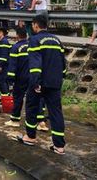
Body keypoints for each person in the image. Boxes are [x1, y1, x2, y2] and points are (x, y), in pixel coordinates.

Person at [17, 15, 66, 155]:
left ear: (35, 25)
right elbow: (62, 63)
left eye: (33, 25)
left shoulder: (34, 40)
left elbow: (35, 64)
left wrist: (35, 82)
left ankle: (30, 137)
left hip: (41, 82)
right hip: (55, 82)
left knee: (31, 107)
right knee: (55, 112)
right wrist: (61, 76)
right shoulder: (57, 40)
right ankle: (59, 146)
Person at [5, 27, 29, 127]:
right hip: (33, 76)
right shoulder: (32, 46)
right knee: (34, 99)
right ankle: (38, 121)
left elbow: (12, 65)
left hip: (21, 77)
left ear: (17, 36)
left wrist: (10, 79)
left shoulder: (16, 47)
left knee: (18, 98)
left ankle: (15, 119)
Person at [0, 27, 12, 96]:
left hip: (4, 66)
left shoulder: (4, 42)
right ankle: (6, 98)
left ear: (1, 33)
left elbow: (4, 56)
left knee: (2, 82)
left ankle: (6, 98)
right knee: (3, 82)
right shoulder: (2, 41)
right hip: (4, 66)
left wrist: (0, 65)